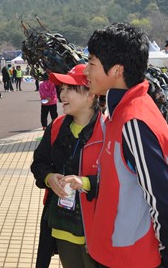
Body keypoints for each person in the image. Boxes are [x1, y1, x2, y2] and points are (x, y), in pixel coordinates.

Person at [84, 22, 168, 268]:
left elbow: (161, 198)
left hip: (130, 258)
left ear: (117, 70)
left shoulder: (133, 121)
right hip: (114, 253)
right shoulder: (120, 111)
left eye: (91, 64)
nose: (86, 72)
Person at [31, 64, 104, 268]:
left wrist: (85, 183)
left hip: (96, 229)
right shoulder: (56, 127)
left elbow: (120, 182)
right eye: (62, 88)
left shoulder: (109, 131)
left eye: (70, 88)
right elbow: (39, 163)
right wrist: (49, 177)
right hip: (62, 226)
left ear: (90, 94)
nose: (62, 94)